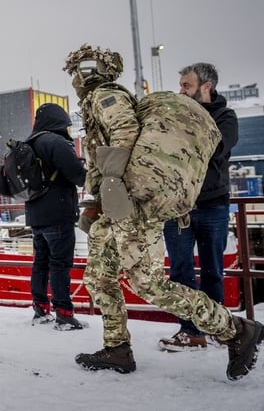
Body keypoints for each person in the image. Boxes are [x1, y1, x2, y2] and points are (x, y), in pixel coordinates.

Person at [63, 43, 262, 380]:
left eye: (79, 70)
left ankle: (235, 330)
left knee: (147, 282)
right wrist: (96, 202)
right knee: (99, 277)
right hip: (115, 204)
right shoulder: (97, 98)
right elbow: (102, 154)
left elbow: (125, 132)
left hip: (129, 203)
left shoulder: (105, 95)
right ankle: (118, 348)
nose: (75, 76)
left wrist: (111, 191)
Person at [159, 63, 239, 351]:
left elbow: (217, 147)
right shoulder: (175, 116)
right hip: (177, 207)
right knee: (180, 271)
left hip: (213, 206)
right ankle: (190, 331)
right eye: (180, 85)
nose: (181, 90)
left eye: (187, 86)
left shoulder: (225, 117)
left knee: (213, 271)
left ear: (206, 86)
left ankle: (218, 327)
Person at [25, 103, 88, 330]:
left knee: (40, 262)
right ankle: (64, 313)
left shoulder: (29, 143)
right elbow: (78, 176)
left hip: (35, 215)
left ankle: (40, 308)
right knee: (60, 264)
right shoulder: (56, 142)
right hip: (58, 213)